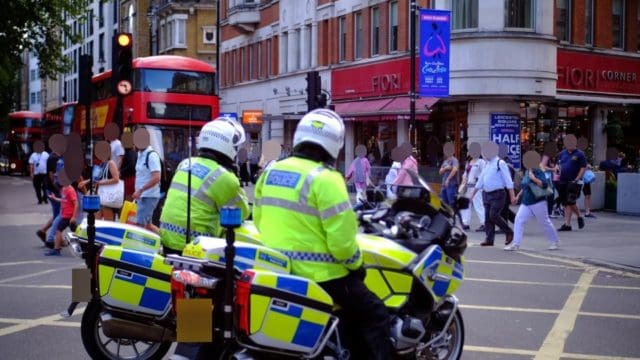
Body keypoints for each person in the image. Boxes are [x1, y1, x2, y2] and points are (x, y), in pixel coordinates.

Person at [254, 109, 392, 360]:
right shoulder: (326, 179)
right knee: (376, 315)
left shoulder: (271, 172)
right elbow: (341, 242)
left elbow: (259, 220)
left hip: (277, 269)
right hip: (322, 276)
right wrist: (357, 265)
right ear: (333, 145)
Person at [159, 118, 250, 255]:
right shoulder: (224, 176)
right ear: (228, 146)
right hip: (196, 247)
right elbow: (242, 213)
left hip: (167, 240)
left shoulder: (186, 163)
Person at [504, 161, 559, 251]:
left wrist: (534, 179)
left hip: (538, 201)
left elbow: (544, 185)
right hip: (526, 202)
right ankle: (515, 244)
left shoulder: (538, 171)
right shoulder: (527, 171)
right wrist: (517, 197)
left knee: (544, 221)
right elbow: (525, 186)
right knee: (518, 220)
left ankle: (554, 241)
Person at [469, 149, 516, 247]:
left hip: (498, 194)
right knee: (487, 219)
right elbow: (480, 181)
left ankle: (508, 231)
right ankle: (489, 239)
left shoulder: (500, 163)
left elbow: (508, 180)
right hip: (486, 194)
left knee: (493, 215)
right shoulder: (487, 164)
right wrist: (472, 195)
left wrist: (512, 196)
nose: (484, 156)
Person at [556, 139, 587, 232]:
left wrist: (577, 179)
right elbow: (558, 164)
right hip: (562, 180)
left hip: (574, 181)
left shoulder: (580, 154)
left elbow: (583, 167)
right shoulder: (562, 153)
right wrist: (557, 169)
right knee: (566, 203)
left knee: (570, 201)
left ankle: (576, 218)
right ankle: (568, 224)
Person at [132, 138, 162, 233]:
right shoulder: (140, 154)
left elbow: (157, 177)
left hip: (148, 196)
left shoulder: (152, 155)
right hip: (143, 196)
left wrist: (141, 190)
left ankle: (139, 246)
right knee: (148, 225)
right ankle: (166, 239)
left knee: (140, 224)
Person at [37, 147, 64, 248]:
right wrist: (58, 189)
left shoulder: (55, 157)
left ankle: (43, 231)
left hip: (51, 188)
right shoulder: (53, 158)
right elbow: (52, 175)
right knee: (60, 215)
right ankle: (52, 239)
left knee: (58, 214)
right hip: (54, 189)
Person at [45, 180, 78, 256]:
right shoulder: (64, 189)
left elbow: (76, 204)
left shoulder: (70, 190)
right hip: (65, 215)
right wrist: (55, 198)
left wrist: (73, 216)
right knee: (74, 231)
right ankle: (57, 249)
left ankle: (56, 249)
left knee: (59, 230)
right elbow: (64, 200)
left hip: (69, 216)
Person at [460, 155, 486, 232]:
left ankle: (484, 223)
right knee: (466, 205)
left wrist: (479, 180)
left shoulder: (481, 162)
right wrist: (463, 180)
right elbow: (465, 173)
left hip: (476, 186)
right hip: (467, 186)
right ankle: (465, 223)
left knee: (478, 205)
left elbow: (484, 173)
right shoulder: (468, 162)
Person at [96, 155, 121, 221]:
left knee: (108, 221)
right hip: (101, 195)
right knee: (97, 220)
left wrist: (101, 183)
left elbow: (116, 179)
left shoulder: (110, 163)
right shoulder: (102, 163)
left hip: (108, 196)